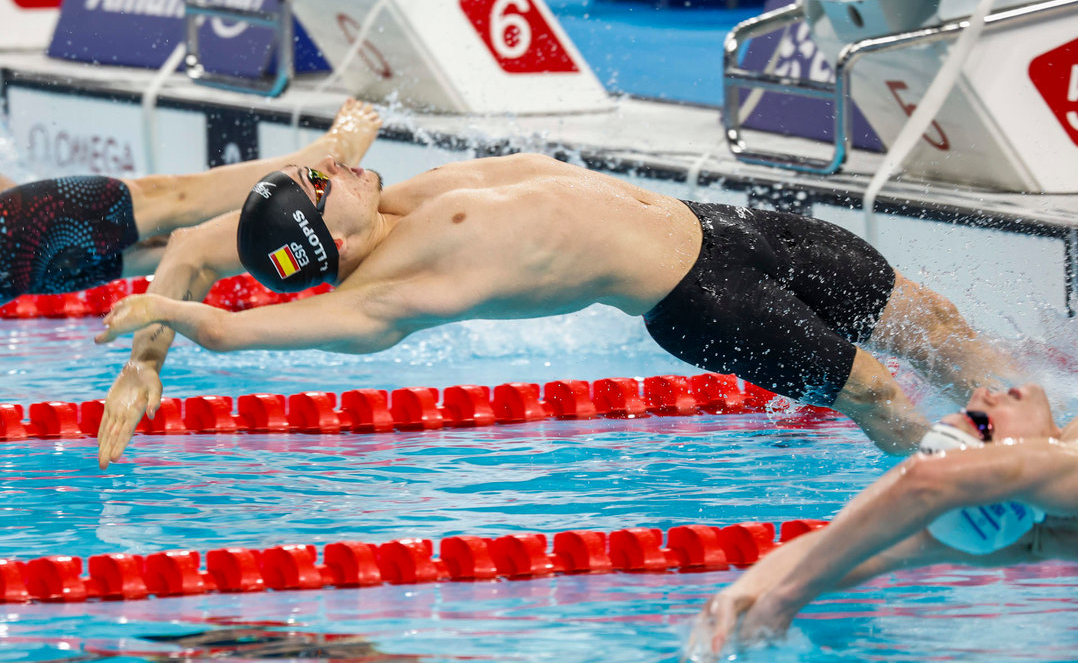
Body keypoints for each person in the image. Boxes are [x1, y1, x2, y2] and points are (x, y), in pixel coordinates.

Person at [93, 153, 1023, 469]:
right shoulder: (392, 295)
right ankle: (972, 499)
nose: (333, 162)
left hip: (722, 227)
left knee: (928, 320)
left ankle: (1038, 431)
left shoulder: (390, 197)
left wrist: (149, 359)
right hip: (703, 298)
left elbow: (204, 245)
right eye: (318, 181)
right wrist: (172, 325)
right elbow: (243, 323)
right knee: (872, 389)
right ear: (320, 240)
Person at [684, 382, 1078, 660]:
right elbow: (855, 546)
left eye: (979, 422)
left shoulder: (1055, 482)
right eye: (977, 421)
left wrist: (780, 600)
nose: (980, 394)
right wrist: (744, 594)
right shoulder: (1028, 521)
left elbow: (925, 482)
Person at [0, 98, 380, 304]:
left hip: (14, 265)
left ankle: (326, 188)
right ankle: (324, 180)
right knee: (173, 205)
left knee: (167, 228)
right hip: (13, 252)